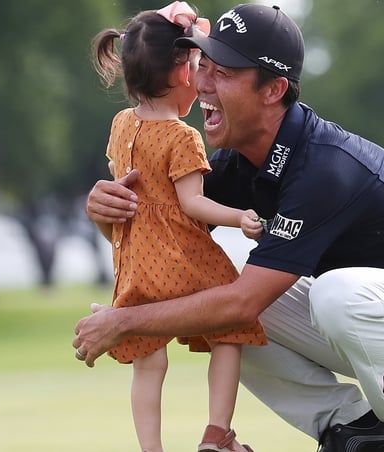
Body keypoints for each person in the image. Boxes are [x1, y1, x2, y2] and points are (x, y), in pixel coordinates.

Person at [75, 3, 384, 451]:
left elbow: (243, 302)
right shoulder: (237, 161)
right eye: (204, 66)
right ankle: (352, 432)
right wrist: (107, 216)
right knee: (207, 279)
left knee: (315, 295)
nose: (203, 84)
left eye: (225, 72)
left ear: (273, 90)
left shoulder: (323, 166)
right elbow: (165, 249)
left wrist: (125, 321)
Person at [89, 2, 267, 451]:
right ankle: (216, 433)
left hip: (135, 263)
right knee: (230, 330)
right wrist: (239, 218)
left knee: (149, 365)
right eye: (195, 66)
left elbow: (121, 182)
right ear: (183, 75)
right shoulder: (182, 136)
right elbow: (194, 204)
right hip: (180, 258)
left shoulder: (121, 124)